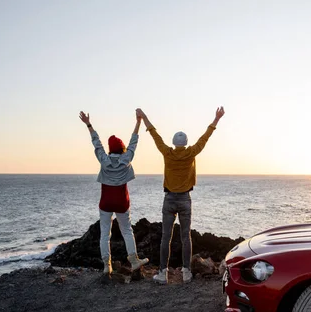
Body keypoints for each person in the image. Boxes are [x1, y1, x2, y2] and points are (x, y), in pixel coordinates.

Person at [135, 106, 225, 284]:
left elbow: (154, 134)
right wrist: (217, 119)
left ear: (174, 142)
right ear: (185, 143)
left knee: (165, 238)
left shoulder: (167, 152)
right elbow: (205, 138)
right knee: (186, 237)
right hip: (185, 199)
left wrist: (144, 117)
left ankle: (162, 273)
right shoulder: (191, 152)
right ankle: (186, 272)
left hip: (169, 199)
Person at [78, 111, 149, 276]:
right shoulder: (126, 159)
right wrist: (138, 122)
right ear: (121, 147)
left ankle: (106, 265)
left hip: (106, 202)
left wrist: (89, 124)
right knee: (127, 230)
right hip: (122, 201)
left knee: (105, 233)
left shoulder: (103, 159)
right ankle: (133, 260)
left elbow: (96, 143)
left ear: (111, 149)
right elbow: (134, 141)